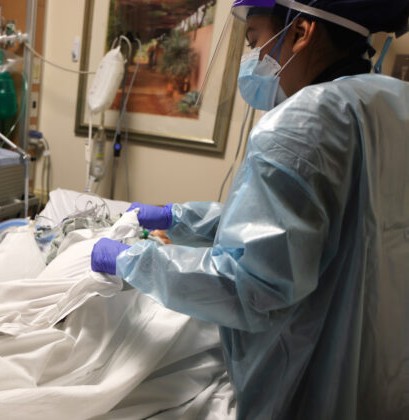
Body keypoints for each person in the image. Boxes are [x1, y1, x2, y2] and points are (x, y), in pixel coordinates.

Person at [91, 1, 409, 418]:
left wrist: (135, 261)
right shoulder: (389, 102)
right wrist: (181, 219)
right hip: (384, 375)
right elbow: (317, 226)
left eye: (256, 39)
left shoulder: (301, 123)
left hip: (308, 387)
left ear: (301, 33)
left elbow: (252, 290)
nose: (253, 59)